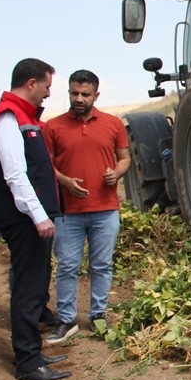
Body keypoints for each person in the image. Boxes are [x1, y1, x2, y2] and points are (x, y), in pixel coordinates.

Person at [0, 58, 71, 380]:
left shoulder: (23, 116)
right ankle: (28, 362)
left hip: (32, 219)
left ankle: (33, 352)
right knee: (27, 289)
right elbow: (15, 175)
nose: (49, 93)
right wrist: (38, 216)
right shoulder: (9, 117)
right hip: (24, 220)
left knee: (35, 288)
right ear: (31, 83)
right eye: (47, 86)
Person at [43, 70, 130, 343]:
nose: (78, 99)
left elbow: (125, 158)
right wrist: (65, 181)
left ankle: (98, 316)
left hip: (105, 210)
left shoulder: (113, 124)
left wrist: (116, 173)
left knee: (101, 265)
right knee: (67, 266)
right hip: (68, 213)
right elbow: (46, 166)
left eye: (85, 94)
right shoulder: (53, 127)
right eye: (74, 93)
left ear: (96, 95)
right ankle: (67, 320)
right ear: (68, 93)